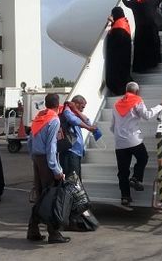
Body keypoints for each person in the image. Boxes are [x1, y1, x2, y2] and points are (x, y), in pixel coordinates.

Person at [110, 82, 162, 206]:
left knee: (122, 171)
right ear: (137, 92)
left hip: (119, 143)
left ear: (126, 90)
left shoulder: (116, 104)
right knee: (143, 158)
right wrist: (160, 107)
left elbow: (112, 126)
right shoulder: (137, 100)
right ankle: (136, 178)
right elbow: (147, 115)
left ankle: (125, 197)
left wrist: (119, 136)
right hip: (133, 140)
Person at [26, 93, 70, 244]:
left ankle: (33, 229)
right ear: (58, 105)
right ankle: (54, 233)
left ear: (45, 104)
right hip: (46, 160)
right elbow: (51, 146)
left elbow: (30, 140)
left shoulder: (39, 117)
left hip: (37, 159)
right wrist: (56, 170)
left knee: (41, 196)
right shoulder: (54, 119)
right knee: (51, 196)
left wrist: (34, 158)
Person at [121, 0, 161, 73]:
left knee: (140, 47)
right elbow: (159, 0)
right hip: (152, 28)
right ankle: (153, 63)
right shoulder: (152, 1)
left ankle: (141, 66)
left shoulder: (134, 2)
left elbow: (126, 3)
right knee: (153, 44)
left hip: (140, 29)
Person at [58, 96, 97, 178]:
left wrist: (77, 111)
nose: (83, 110)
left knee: (76, 180)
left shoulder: (75, 113)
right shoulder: (67, 112)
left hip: (76, 152)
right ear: (75, 104)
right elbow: (73, 120)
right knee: (72, 180)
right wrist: (88, 128)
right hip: (70, 152)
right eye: (82, 107)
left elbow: (88, 122)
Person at [105, 7, 133, 96]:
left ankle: (119, 91)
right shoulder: (124, 22)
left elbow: (114, 41)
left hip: (118, 57)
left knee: (117, 74)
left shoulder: (118, 27)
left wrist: (110, 31)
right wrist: (112, 23)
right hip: (125, 55)